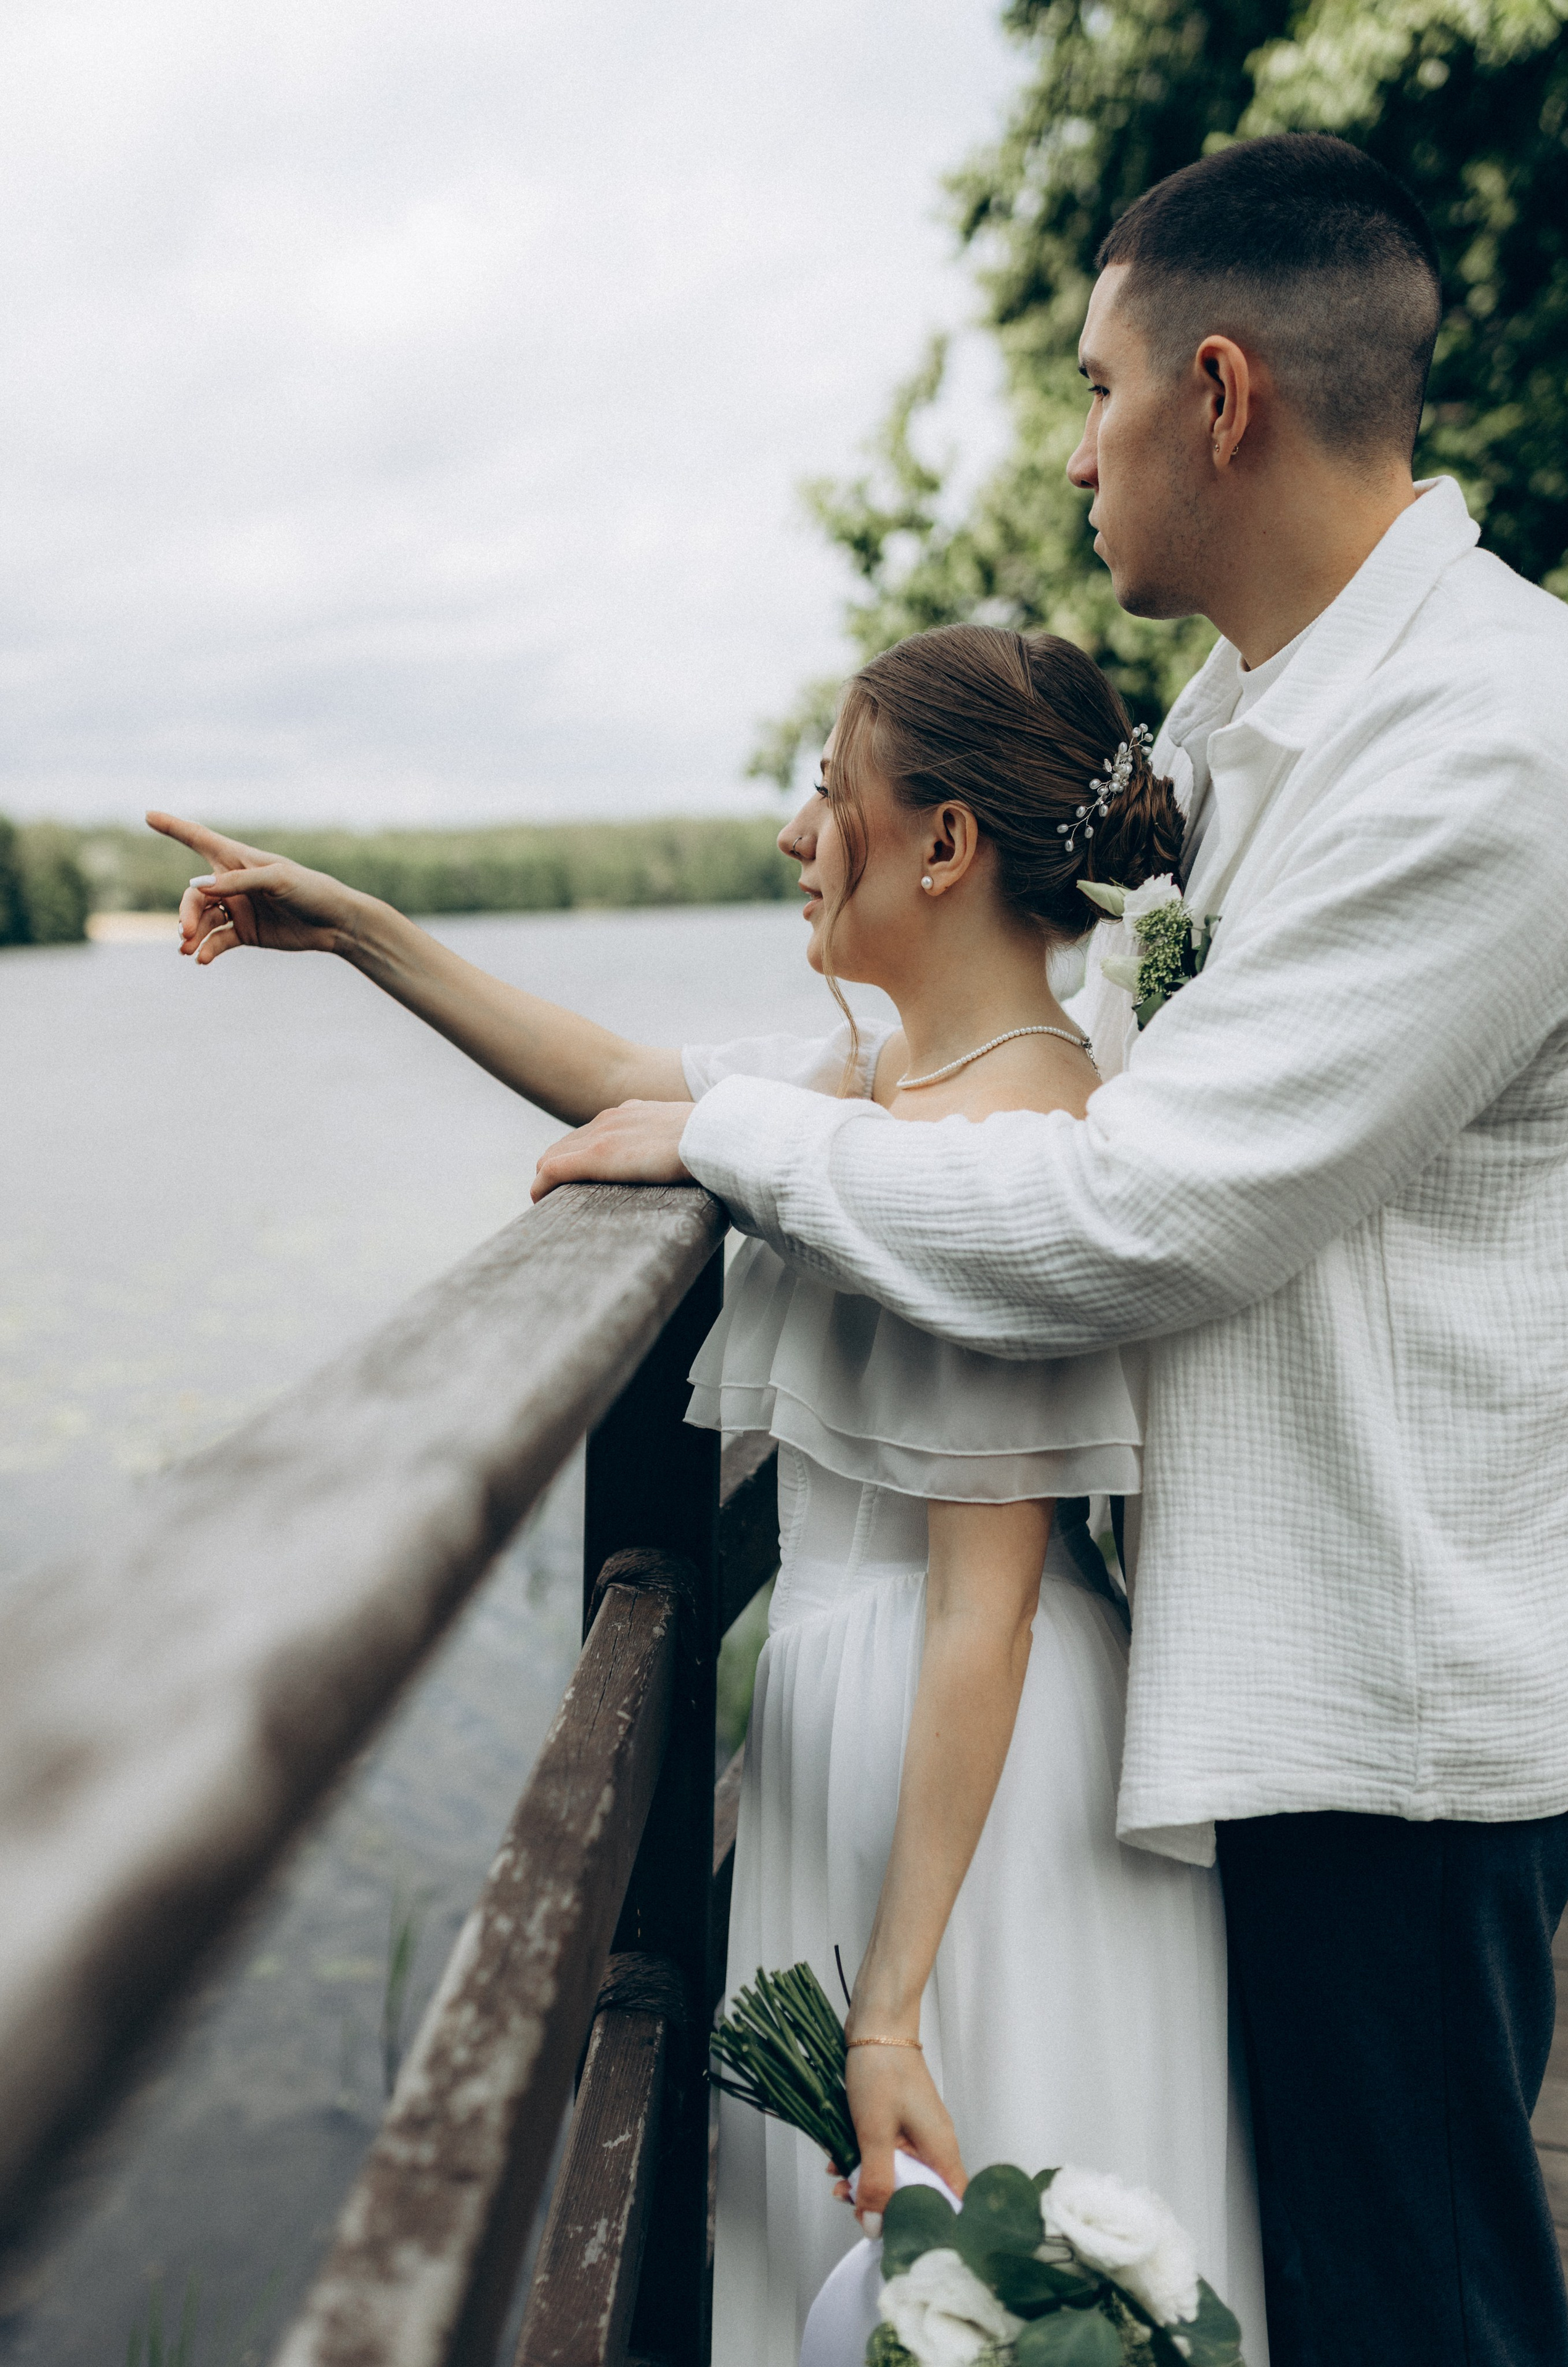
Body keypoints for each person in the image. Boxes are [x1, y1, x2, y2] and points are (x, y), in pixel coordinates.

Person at [531, 134, 1568, 2366]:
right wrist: (718, 1104)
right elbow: (1020, 1079)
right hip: (1253, 1680)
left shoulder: (1488, 744)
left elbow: (1141, 1209)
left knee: (1429, 2309)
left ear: (1220, 396)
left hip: (1385, 1704)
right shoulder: (1244, 727)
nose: (1075, 447)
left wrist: (722, 1139)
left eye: (1096, 391)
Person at [149, 626, 1267, 2367]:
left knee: (970, 2259)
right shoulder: (887, 1085)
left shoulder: (1021, 1149)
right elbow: (638, 1089)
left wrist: (889, 2011)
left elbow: (990, 1603)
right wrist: (356, 930)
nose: (794, 833)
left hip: (963, 1796)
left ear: (947, 845)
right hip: (864, 1744)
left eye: (830, 792)